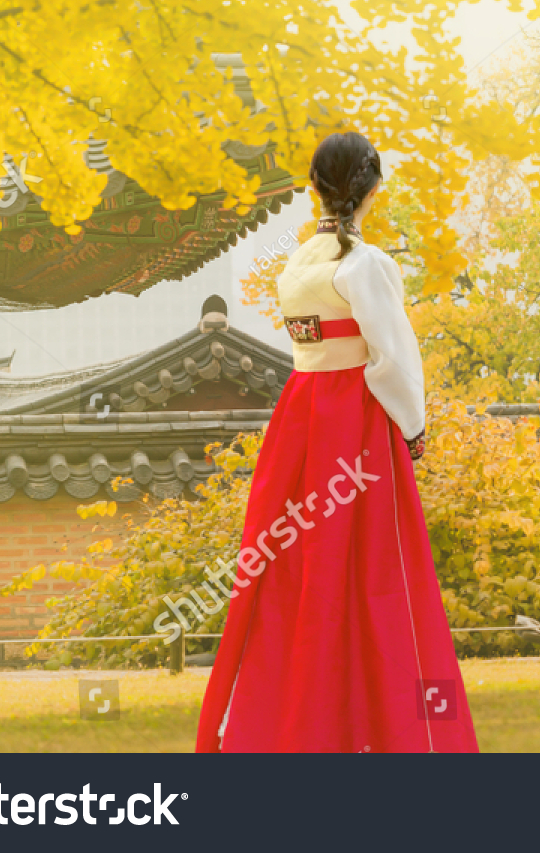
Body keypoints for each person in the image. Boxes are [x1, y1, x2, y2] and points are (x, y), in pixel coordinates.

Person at [196, 132, 478, 753]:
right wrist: (414, 429)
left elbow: (317, 350)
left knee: (298, 575)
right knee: (383, 576)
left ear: (315, 188)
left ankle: (297, 728)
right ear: (372, 189)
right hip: (358, 426)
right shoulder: (366, 265)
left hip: (301, 423)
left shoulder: (297, 267)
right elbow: (393, 360)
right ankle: (402, 735)